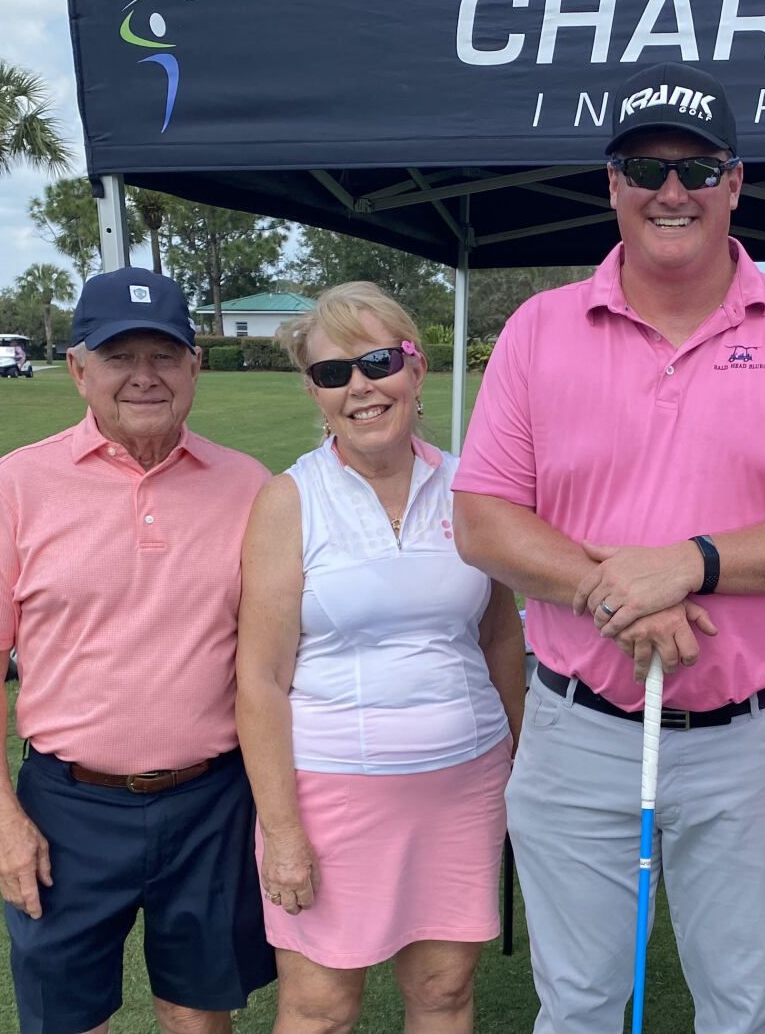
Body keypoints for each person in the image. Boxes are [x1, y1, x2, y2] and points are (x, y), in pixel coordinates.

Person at [453, 60, 765, 1034]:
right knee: (578, 1005)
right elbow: (483, 517)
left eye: (699, 170)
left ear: (735, 184)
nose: (671, 191)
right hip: (578, 728)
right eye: (646, 167)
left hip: (751, 736)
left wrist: (688, 562)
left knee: (742, 1007)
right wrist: (612, 589)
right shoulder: (538, 331)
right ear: (611, 182)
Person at [0, 267, 276, 1034]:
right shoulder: (15, 487)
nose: (145, 377)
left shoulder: (251, 487)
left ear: (195, 367)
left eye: (165, 355)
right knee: (66, 1017)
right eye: (121, 357)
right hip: (67, 806)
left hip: (212, 802)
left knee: (199, 1016)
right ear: (79, 370)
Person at [236, 282, 526, 1034]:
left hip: (463, 785)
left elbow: (499, 637)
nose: (360, 386)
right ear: (315, 391)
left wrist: (525, 763)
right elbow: (261, 680)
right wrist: (284, 832)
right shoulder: (288, 501)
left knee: (443, 994)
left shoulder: (470, 486)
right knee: (320, 1007)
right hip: (328, 796)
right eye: (334, 373)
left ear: (415, 367)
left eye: (377, 362)